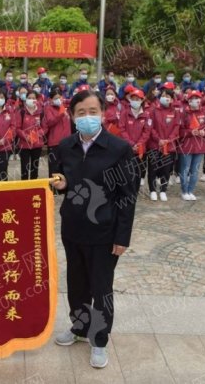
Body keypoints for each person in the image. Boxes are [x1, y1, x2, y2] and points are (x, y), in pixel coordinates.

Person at [51, 89, 137, 369]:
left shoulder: (118, 149)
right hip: (74, 228)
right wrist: (61, 185)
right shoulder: (65, 147)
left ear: (103, 113)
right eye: (80, 113)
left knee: (101, 288)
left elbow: (127, 195)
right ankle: (79, 327)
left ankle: (99, 339)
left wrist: (122, 236)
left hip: (104, 233)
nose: (87, 117)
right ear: (72, 116)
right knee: (76, 284)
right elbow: (59, 181)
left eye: (92, 111)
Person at [147, 84, 180, 202]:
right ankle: (152, 190)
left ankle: (163, 190)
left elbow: (176, 127)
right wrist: (158, 139)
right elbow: (150, 127)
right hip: (154, 145)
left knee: (166, 169)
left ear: (172, 99)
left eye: (168, 96)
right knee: (153, 168)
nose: (165, 98)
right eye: (163, 95)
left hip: (169, 146)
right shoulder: (153, 110)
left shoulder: (175, 112)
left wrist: (168, 139)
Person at [178, 90, 205, 201]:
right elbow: (180, 131)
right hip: (186, 145)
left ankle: (191, 190)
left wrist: (204, 133)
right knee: (185, 169)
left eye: (197, 98)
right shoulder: (184, 113)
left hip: (200, 146)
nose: (195, 101)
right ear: (189, 101)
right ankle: (184, 190)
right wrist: (190, 132)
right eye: (192, 99)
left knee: (195, 170)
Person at [118, 89, 152, 189]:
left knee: (138, 171)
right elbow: (122, 129)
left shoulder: (146, 115)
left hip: (140, 149)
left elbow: (147, 132)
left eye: (137, 99)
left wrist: (139, 144)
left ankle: (135, 190)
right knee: (126, 171)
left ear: (142, 100)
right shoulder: (124, 113)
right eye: (133, 99)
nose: (135, 101)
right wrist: (131, 144)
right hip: (127, 148)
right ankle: (125, 190)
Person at [17, 91, 45, 180]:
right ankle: (24, 188)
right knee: (24, 168)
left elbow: (45, 127)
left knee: (34, 168)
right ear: (26, 99)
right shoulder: (21, 112)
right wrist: (27, 137)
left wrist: (36, 135)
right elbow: (17, 128)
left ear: (37, 100)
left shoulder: (41, 112)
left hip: (37, 144)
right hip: (24, 145)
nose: (31, 100)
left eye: (34, 98)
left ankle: (34, 187)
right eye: (29, 98)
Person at [43, 88, 71, 178]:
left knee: (65, 166)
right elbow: (50, 122)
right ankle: (52, 189)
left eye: (60, 97)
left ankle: (62, 189)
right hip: (54, 143)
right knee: (54, 167)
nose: (58, 99)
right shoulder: (48, 109)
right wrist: (61, 114)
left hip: (66, 142)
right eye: (55, 98)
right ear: (51, 100)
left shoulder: (65, 108)